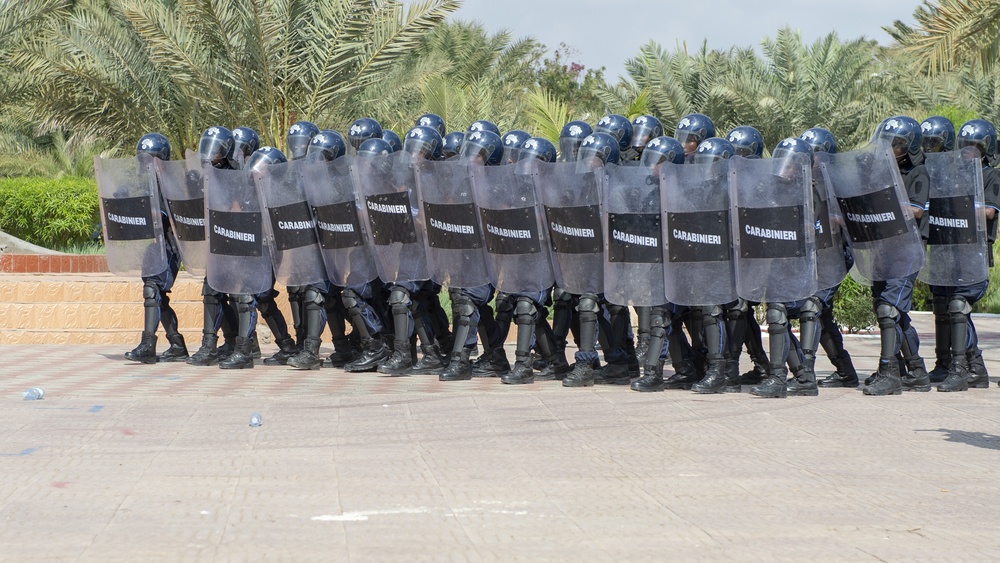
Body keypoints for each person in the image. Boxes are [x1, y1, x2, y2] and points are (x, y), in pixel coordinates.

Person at [864, 116, 931, 395]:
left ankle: (889, 372)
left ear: (911, 147)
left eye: (898, 145)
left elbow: (916, 209)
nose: (891, 150)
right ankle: (916, 371)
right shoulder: (879, 172)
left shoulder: (919, 173)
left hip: (907, 249)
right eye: (887, 144)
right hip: (883, 247)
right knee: (892, 311)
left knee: (889, 309)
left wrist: (885, 205)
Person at [935, 118, 999, 391]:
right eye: (965, 145)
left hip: (975, 252)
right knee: (953, 309)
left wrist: (958, 206)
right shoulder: (954, 174)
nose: (968, 151)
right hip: (951, 250)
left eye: (975, 146)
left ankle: (960, 369)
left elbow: (989, 212)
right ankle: (976, 367)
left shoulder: (992, 176)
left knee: (959, 305)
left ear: (986, 149)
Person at [124, 132, 188, 363]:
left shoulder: (172, 183)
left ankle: (148, 345)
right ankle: (177, 344)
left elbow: (166, 216)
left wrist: (136, 208)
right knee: (157, 295)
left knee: (153, 290)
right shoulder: (145, 184)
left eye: (150, 159)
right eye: (143, 160)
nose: (145, 164)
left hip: (170, 246)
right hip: (153, 246)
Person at [187, 127, 239, 366]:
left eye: (216, 149)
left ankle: (237, 345)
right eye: (207, 147)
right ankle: (216, 344)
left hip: (234, 244)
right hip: (214, 246)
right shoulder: (201, 176)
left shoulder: (235, 175)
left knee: (234, 296)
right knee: (212, 292)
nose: (210, 154)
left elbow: (239, 210)